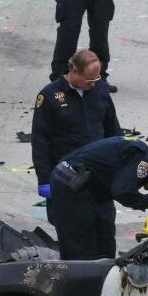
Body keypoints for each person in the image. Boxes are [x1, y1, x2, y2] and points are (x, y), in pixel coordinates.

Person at [49, 137, 148, 260]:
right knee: (80, 244)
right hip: (71, 183)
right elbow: (121, 191)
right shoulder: (145, 164)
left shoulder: (144, 157)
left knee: (104, 238)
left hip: (88, 187)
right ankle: (79, 282)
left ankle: (101, 276)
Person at [32, 49, 123, 219]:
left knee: (104, 229)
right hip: (66, 177)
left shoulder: (101, 90)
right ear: (74, 70)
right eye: (89, 79)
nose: (94, 84)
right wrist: (44, 179)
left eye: (97, 78)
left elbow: (113, 131)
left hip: (98, 176)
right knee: (74, 234)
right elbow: (40, 141)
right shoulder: (50, 96)